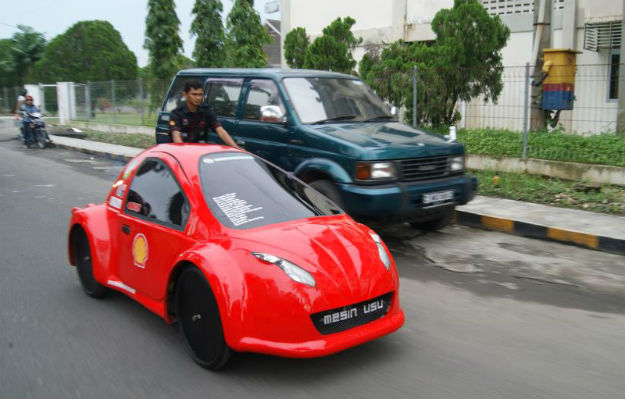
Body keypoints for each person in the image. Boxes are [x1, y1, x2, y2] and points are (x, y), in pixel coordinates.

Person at [168, 80, 240, 148]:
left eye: (200, 95)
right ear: (185, 95)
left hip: (201, 152)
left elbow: (220, 130)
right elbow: (176, 136)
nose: (198, 98)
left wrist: (236, 148)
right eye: (194, 94)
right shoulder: (176, 114)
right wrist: (185, 153)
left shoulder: (206, 111)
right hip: (181, 153)